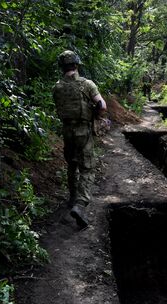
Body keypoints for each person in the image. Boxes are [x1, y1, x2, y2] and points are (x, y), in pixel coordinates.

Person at [53, 50, 107, 228]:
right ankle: (80, 204)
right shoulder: (87, 84)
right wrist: (97, 114)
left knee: (72, 164)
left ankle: (72, 198)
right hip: (83, 130)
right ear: (76, 64)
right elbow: (102, 105)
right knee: (87, 168)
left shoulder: (57, 87)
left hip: (67, 131)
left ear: (62, 66)